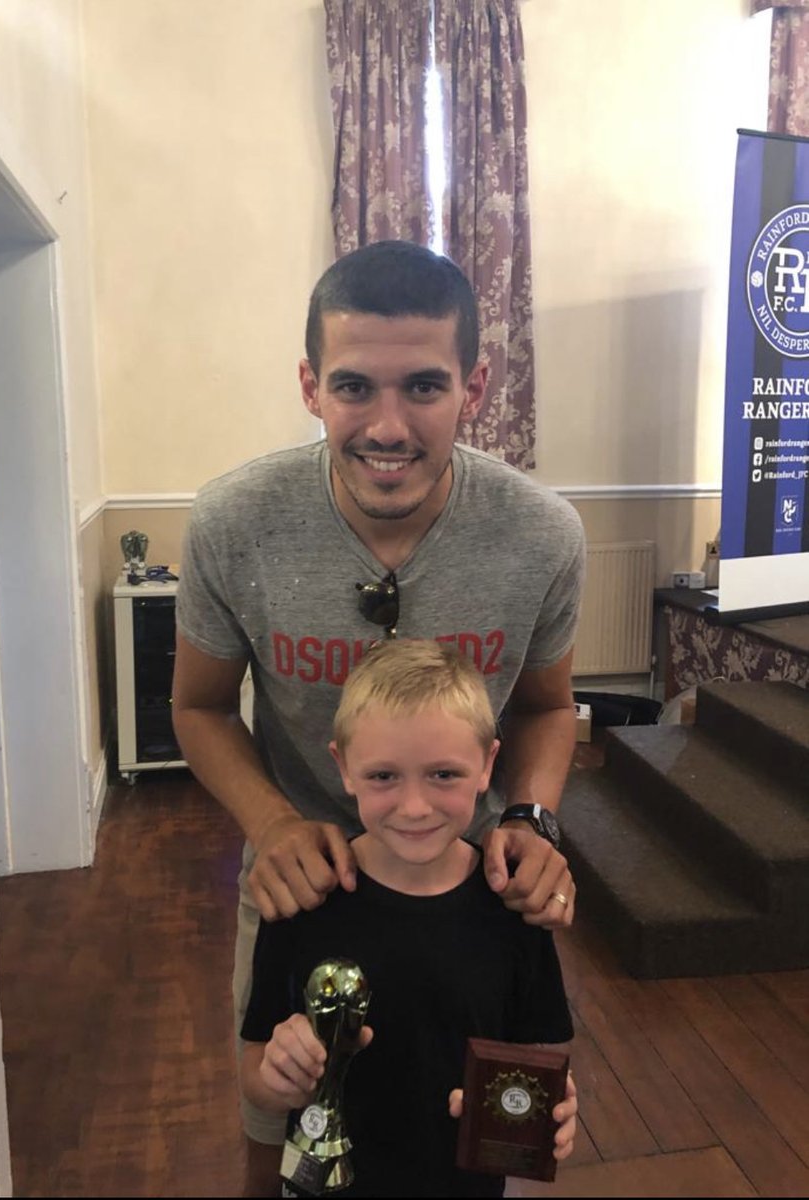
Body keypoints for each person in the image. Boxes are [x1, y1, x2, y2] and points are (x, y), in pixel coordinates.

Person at [171, 239, 585, 1194]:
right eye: (355, 387)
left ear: (474, 387)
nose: (386, 426)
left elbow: (545, 706)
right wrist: (274, 825)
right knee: (276, 1120)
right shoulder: (236, 522)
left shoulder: (540, 534)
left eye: (425, 388)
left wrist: (526, 820)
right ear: (311, 385)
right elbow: (197, 709)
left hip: (466, 882)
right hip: (303, 880)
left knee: (464, 1123)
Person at [239, 640, 577, 1198]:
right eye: (383, 777)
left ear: (489, 764)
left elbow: (538, 1064)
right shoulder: (304, 902)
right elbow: (256, 1075)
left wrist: (554, 1111)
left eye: (444, 774)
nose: (414, 806)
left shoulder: (512, 910)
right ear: (342, 767)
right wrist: (278, 1074)